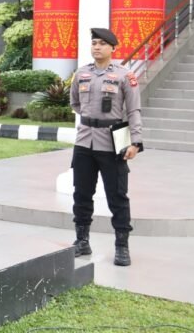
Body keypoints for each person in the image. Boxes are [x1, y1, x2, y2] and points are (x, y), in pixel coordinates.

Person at [69, 28, 144, 267]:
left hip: (114, 141)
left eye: (102, 43)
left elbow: (133, 110)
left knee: (117, 196)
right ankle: (82, 241)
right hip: (84, 141)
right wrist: (92, 120)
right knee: (81, 193)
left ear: (113, 48)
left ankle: (122, 246)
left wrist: (135, 142)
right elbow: (75, 103)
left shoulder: (125, 75)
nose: (97, 47)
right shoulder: (81, 73)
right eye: (94, 43)